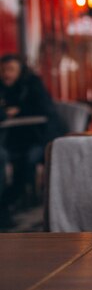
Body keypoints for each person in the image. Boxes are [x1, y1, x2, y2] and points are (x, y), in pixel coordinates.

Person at [0, 54, 68, 211]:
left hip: (41, 137)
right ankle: (11, 202)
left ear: (20, 71)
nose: (6, 74)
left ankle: (11, 202)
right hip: (15, 138)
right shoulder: (3, 87)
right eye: (3, 70)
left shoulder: (33, 84)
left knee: (28, 159)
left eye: (10, 70)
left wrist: (19, 110)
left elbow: (45, 110)